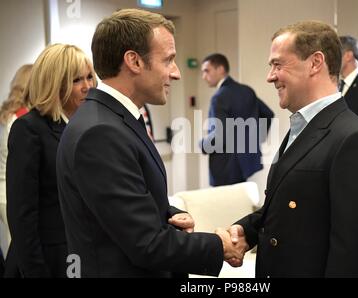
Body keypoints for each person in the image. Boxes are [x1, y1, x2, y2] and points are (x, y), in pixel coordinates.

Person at [56, 9, 246, 278]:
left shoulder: (114, 119)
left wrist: (170, 213)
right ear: (134, 61)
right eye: (168, 60)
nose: (177, 73)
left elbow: (125, 202)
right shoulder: (100, 133)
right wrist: (220, 246)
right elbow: (145, 243)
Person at [227, 21, 358, 277]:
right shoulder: (300, 126)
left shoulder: (356, 140)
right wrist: (246, 231)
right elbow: (292, 207)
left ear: (315, 63)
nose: (270, 76)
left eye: (278, 64)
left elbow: (353, 253)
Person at [6, 44, 95, 277]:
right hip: (46, 259)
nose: (88, 87)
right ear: (55, 83)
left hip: (79, 253)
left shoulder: (84, 125)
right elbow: (22, 215)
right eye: (77, 80)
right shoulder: (28, 129)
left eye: (89, 77)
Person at [200, 53, 274, 186]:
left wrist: (202, 144)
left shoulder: (219, 97)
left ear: (221, 69)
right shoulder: (246, 91)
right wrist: (253, 140)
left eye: (207, 71)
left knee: (223, 205)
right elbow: (268, 114)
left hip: (224, 166)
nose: (203, 76)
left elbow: (219, 136)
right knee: (240, 203)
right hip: (244, 165)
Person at [0, 64, 32, 258]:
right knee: (18, 252)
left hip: (2, 190)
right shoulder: (23, 119)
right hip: (11, 193)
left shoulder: (5, 115)